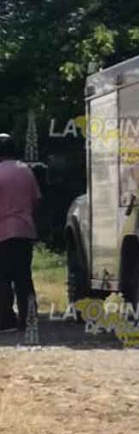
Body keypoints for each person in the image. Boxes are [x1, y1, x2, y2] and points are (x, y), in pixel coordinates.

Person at [0, 133, 41, 332]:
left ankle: (6, 319)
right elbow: (36, 199)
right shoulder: (25, 170)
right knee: (24, 277)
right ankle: (29, 318)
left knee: (3, 278)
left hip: (3, 232)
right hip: (25, 230)